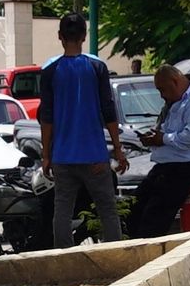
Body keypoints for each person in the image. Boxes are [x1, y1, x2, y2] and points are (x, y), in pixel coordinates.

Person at [34, 15, 126, 243]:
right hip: (95, 156)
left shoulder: (50, 71)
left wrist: (46, 156)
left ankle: (63, 260)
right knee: (107, 210)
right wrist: (117, 149)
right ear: (84, 36)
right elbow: (109, 112)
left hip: (63, 156)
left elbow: (47, 118)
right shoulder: (97, 67)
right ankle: (115, 257)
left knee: (62, 211)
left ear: (60, 37)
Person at [131, 63, 190, 238]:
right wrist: (153, 138)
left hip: (186, 166)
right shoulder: (174, 103)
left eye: (162, 89)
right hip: (166, 165)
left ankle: (149, 253)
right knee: (133, 207)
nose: (162, 95)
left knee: (154, 216)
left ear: (175, 81)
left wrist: (162, 138)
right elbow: (168, 133)